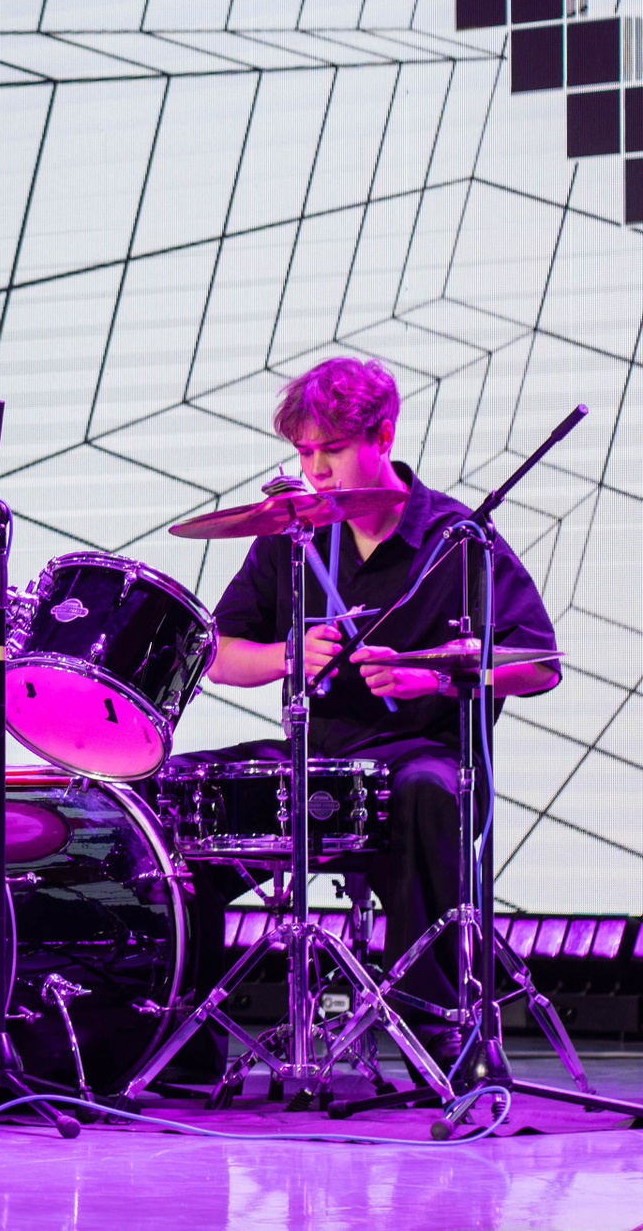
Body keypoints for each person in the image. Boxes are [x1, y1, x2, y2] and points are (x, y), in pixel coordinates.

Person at [181, 356, 558, 1070]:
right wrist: (287, 656)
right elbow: (219, 653)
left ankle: (439, 1027)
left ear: (382, 436)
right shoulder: (292, 536)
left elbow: (538, 663)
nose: (316, 470)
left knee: (424, 793)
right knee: (173, 797)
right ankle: (174, 1036)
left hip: (423, 758)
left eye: (332, 449)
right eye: (304, 453)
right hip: (316, 761)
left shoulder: (457, 538)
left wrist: (432, 679)